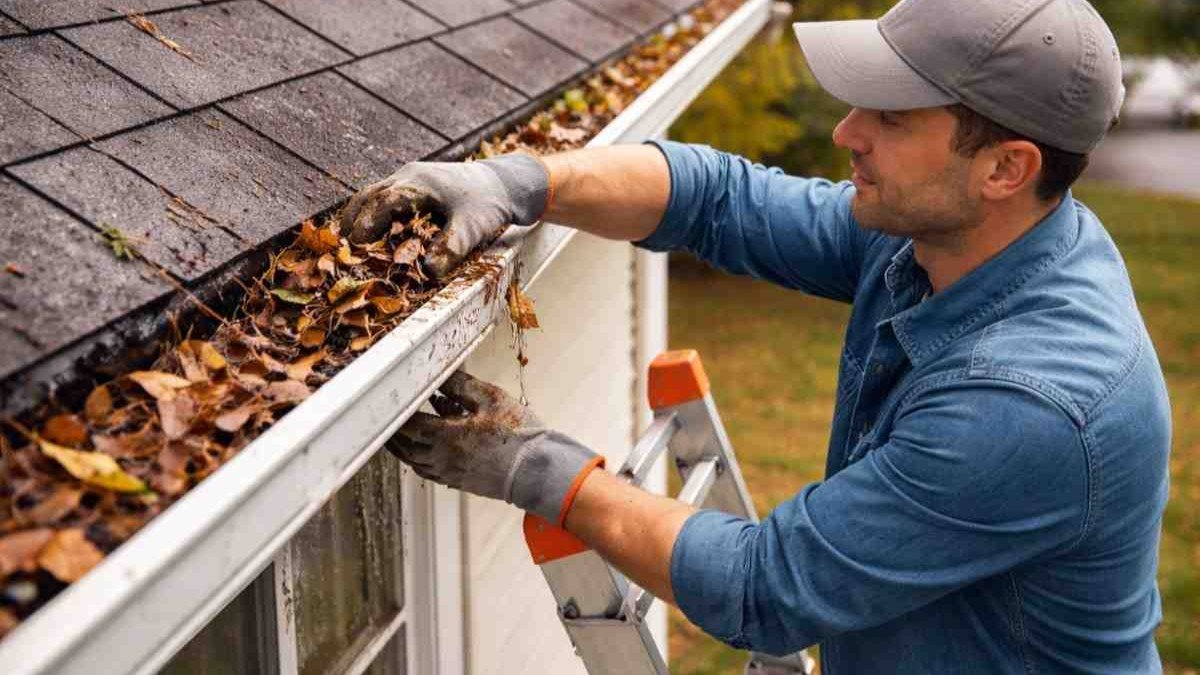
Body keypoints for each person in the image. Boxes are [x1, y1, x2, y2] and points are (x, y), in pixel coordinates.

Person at [340, 0, 1172, 672]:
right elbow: (715, 197)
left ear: (1005, 168)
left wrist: (529, 462)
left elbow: (766, 586)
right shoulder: (962, 233)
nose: (847, 132)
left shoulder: (1029, 406)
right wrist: (520, 181)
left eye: (888, 115)